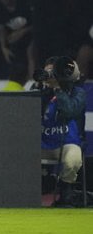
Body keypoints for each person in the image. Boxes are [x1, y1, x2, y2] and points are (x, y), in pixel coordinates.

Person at [37, 56, 87, 207]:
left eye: (53, 73)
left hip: (66, 143)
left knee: (73, 159)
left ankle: (66, 190)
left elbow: (69, 111)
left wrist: (58, 89)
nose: (49, 76)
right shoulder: (40, 93)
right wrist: (41, 90)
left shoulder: (77, 93)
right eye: (47, 73)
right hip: (41, 143)